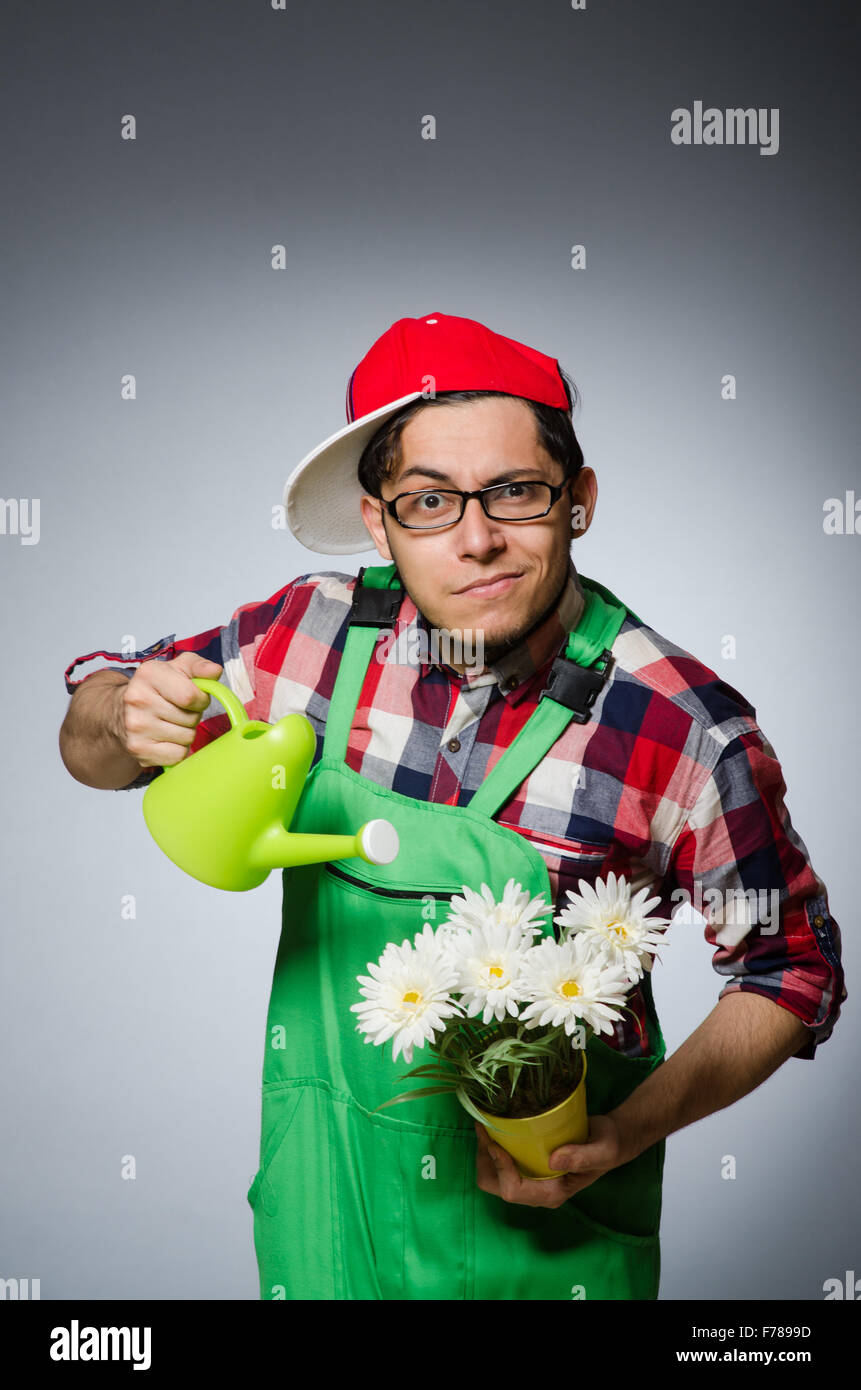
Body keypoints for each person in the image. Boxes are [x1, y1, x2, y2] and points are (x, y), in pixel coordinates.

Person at [59, 310, 846, 1301]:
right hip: (325, 1217)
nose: (477, 539)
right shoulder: (303, 639)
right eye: (429, 501)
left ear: (580, 499)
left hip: (539, 1245)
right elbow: (95, 745)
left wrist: (625, 1131)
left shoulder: (684, 726)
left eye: (515, 491)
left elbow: (790, 972)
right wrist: (123, 712)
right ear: (378, 518)